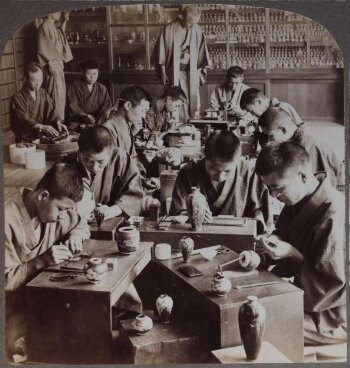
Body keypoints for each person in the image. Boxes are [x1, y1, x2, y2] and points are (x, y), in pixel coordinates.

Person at [254, 142, 346, 348]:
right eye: (269, 188)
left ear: (303, 176)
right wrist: (273, 241)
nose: (273, 196)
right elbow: (284, 233)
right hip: (308, 297)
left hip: (332, 313)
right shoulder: (298, 199)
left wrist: (291, 254)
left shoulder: (335, 213)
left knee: (254, 325)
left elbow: (330, 285)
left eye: (277, 188)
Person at [5, 163, 90, 362]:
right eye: (61, 209)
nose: (63, 216)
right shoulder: (7, 218)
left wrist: (76, 235)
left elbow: (79, 222)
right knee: (31, 345)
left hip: (44, 296)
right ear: (43, 196)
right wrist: (41, 261)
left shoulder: (53, 212)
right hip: (13, 306)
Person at [170, 130, 271, 231]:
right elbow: (176, 214)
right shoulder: (188, 172)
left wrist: (258, 219)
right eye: (213, 169)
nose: (220, 177)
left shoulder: (249, 172)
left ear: (238, 160)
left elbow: (263, 220)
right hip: (195, 236)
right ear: (203, 153)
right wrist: (191, 214)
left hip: (238, 237)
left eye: (227, 171)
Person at [63, 125, 143, 220]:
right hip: (77, 221)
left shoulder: (120, 158)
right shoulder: (65, 164)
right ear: (79, 153)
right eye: (88, 160)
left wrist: (112, 210)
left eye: (101, 162)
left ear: (110, 152)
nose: (95, 167)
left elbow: (133, 194)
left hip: (113, 219)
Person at [259, 107, 344, 189]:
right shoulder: (293, 142)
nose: (268, 142)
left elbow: (323, 186)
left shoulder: (308, 145)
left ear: (284, 130)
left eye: (270, 136)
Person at [151, 5, 211, 115]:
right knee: (175, 99)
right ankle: (175, 124)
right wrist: (163, 73)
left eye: (195, 22)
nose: (192, 25)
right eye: (189, 22)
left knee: (193, 99)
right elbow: (161, 53)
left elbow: (202, 55)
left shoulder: (197, 29)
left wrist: (199, 73)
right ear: (182, 17)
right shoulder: (169, 29)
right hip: (174, 71)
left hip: (192, 71)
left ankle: (191, 122)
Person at [10, 62, 68, 142]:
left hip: (42, 135)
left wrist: (58, 122)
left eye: (40, 80)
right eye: (34, 81)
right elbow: (24, 119)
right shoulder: (17, 97)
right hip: (25, 137)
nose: (38, 84)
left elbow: (52, 111)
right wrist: (42, 127)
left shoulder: (43, 93)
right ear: (26, 79)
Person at [37, 11, 73, 120]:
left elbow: (60, 33)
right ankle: (53, 122)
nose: (60, 14)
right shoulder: (44, 26)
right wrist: (50, 63)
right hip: (51, 63)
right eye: (57, 11)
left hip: (57, 63)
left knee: (60, 93)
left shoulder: (51, 26)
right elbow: (43, 46)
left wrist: (65, 21)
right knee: (54, 93)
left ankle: (59, 122)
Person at [66, 61, 112, 130]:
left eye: (95, 74)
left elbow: (106, 107)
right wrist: (84, 115)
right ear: (83, 73)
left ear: (98, 73)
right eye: (89, 74)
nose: (92, 77)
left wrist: (97, 120)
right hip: (78, 122)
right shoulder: (75, 86)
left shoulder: (102, 88)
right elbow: (73, 105)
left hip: (96, 121)